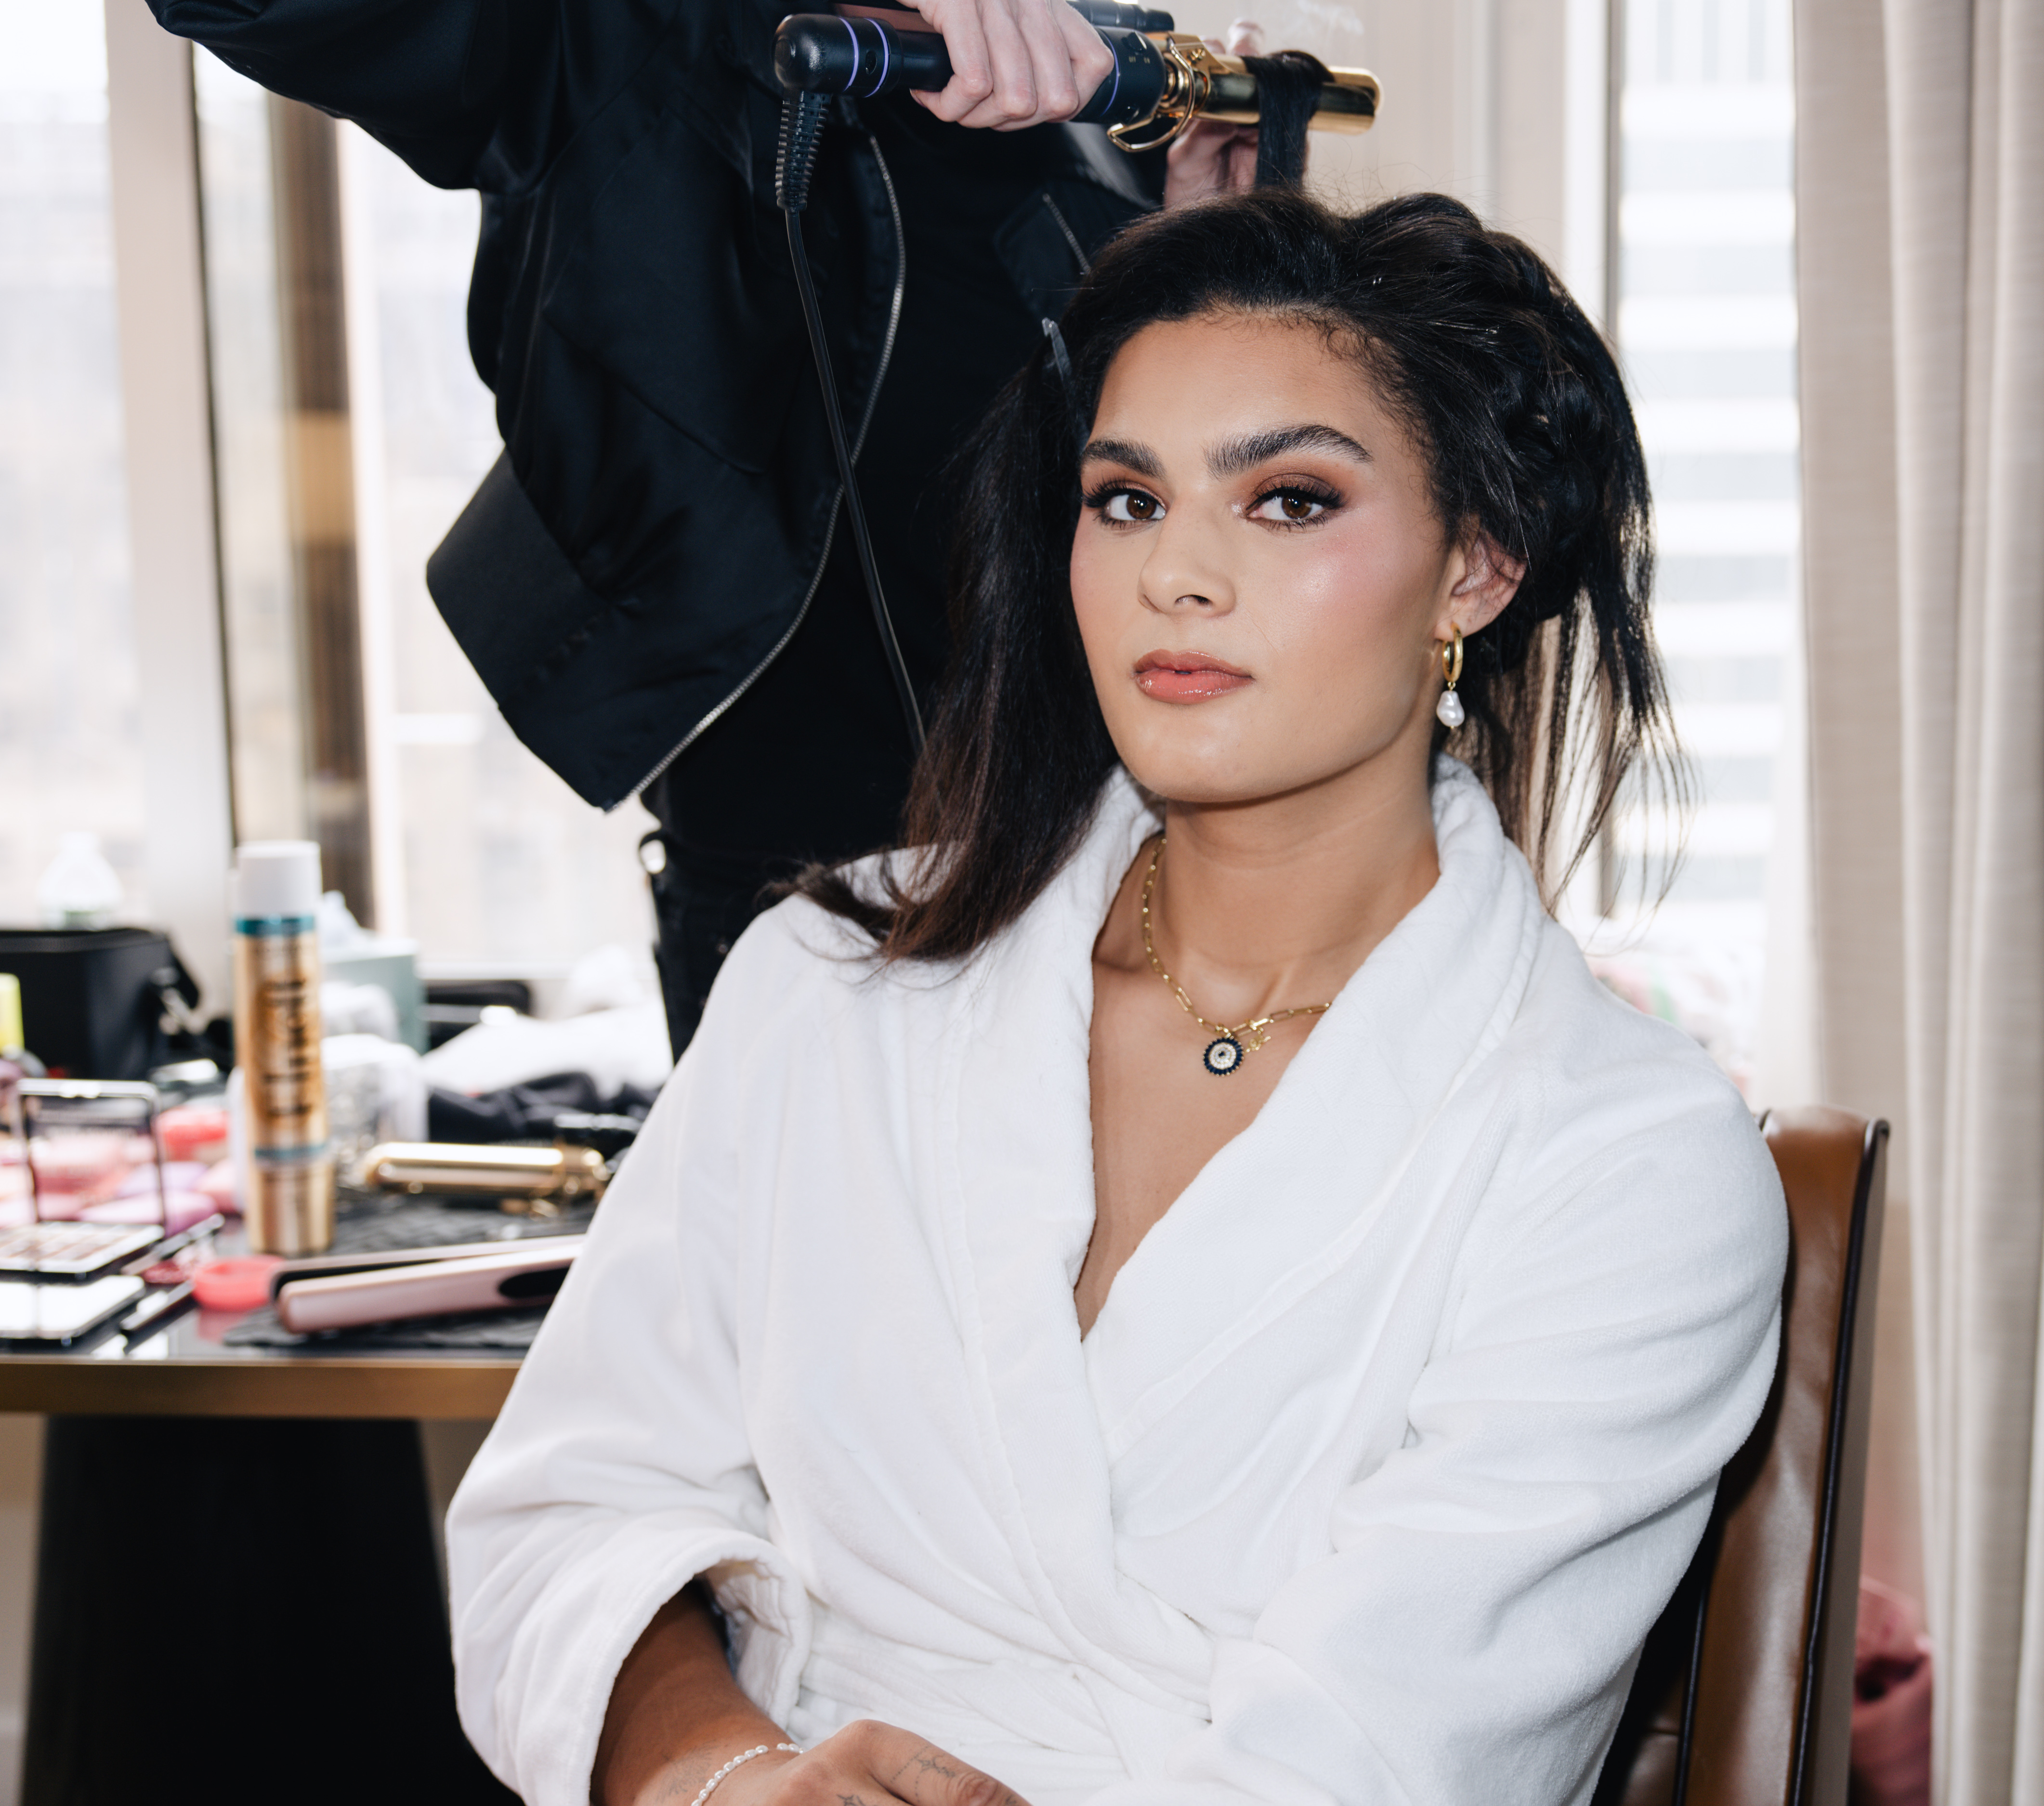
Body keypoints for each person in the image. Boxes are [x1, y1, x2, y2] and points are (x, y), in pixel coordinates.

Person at [445, 189, 1789, 1806]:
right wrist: (730, 1778)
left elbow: (1391, 1761)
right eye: (1126, 499)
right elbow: (567, 1508)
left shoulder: (1626, 1163)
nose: (1178, 577)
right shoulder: (831, 983)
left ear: (1479, 566)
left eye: (1290, 501)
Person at [146, 0, 1267, 1053]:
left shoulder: (1072, 78)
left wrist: (1192, 255)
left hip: (1113, 872)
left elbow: (1097, 491)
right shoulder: (615, 40)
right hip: (805, 905)